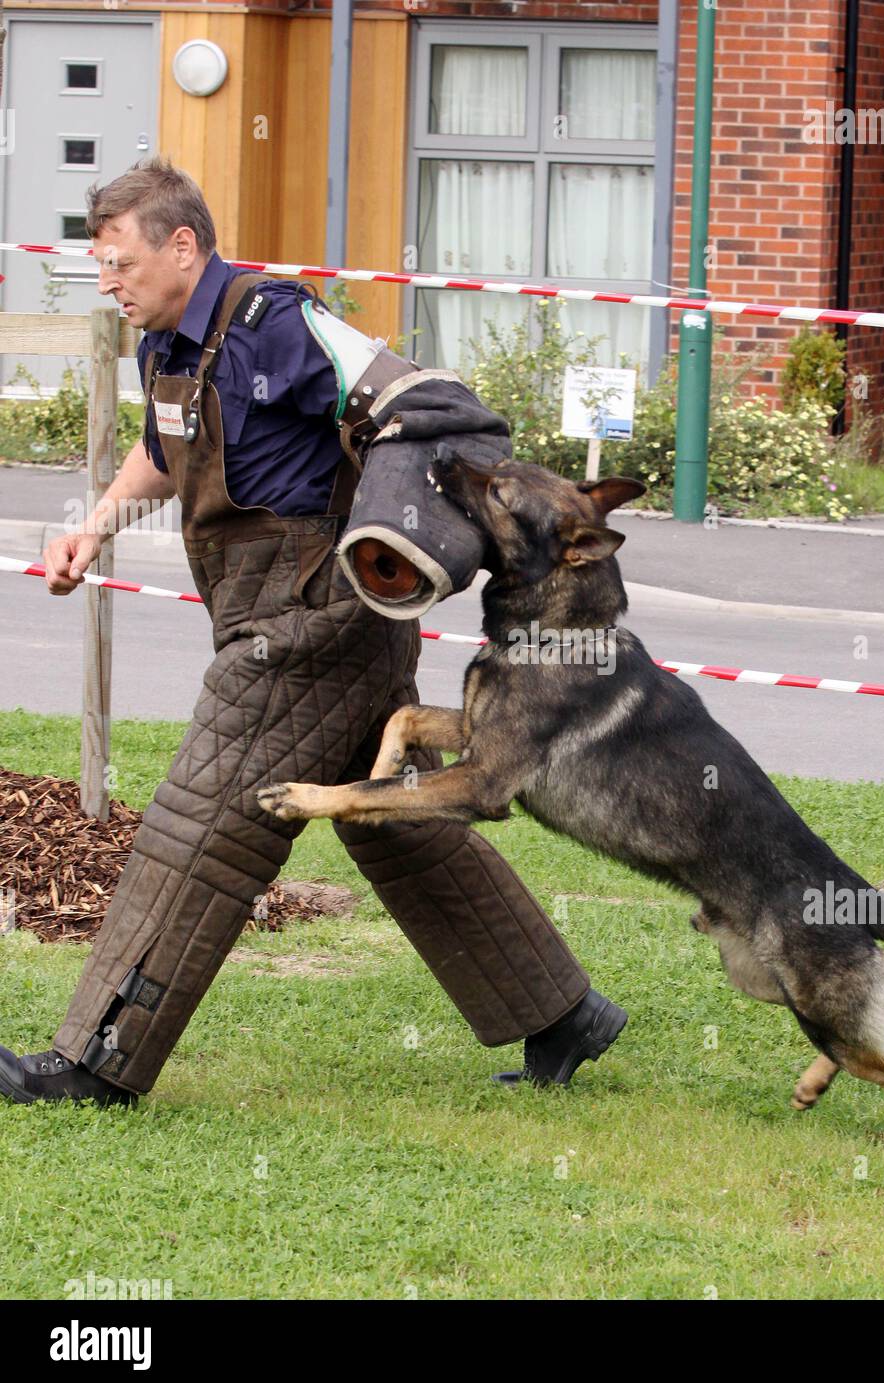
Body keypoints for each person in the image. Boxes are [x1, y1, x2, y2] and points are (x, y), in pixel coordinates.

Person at [0, 156, 626, 1108]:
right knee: (393, 816)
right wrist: (94, 526)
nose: (107, 281)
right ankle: (563, 1013)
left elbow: (429, 410)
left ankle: (97, 1062)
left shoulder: (278, 323)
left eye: (119, 260)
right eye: (99, 264)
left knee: (200, 817)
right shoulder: (166, 345)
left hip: (314, 620)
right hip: (257, 608)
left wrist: (389, 547)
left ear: (182, 245)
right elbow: (166, 452)